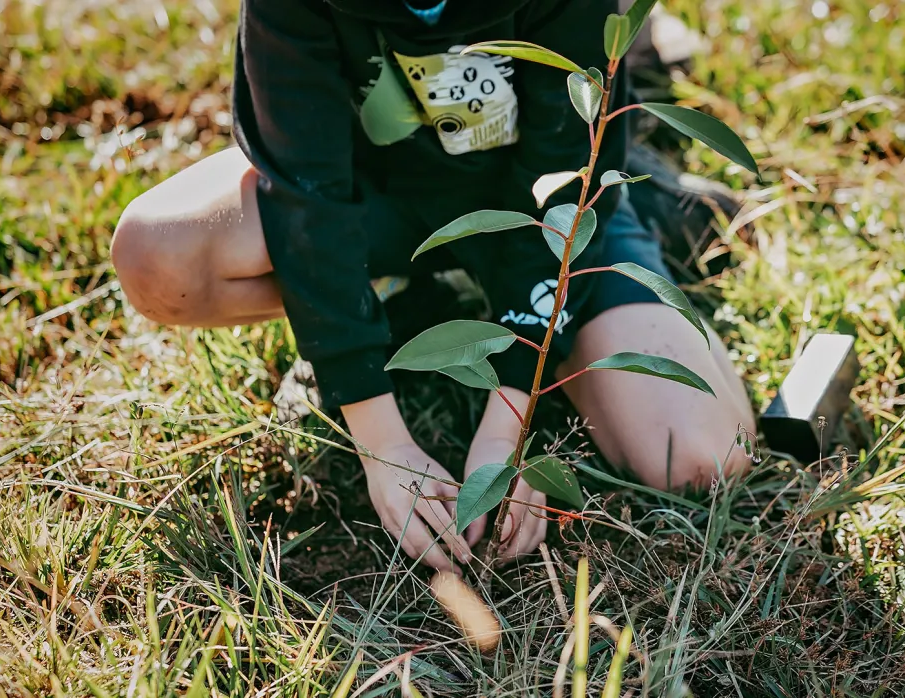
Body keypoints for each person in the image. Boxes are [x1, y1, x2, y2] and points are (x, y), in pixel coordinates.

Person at [110, 0, 756, 573]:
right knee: (155, 255)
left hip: (540, 201)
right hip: (379, 203)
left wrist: (507, 430)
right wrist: (382, 442)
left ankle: (645, 185)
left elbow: (562, 186)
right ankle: (403, 298)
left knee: (701, 457)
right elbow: (307, 200)